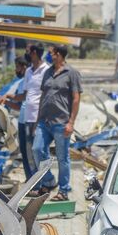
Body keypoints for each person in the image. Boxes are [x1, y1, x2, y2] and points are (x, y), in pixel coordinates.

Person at [31, 44, 82, 200]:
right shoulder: (47, 72)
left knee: (62, 157)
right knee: (37, 149)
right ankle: (49, 181)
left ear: (58, 55)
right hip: (44, 122)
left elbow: (76, 99)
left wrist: (71, 123)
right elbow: (43, 97)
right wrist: (37, 120)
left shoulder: (71, 73)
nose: (48, 55)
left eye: (51, 53)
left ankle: (64, 190)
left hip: (61, 122)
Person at [15, 43, 49, 180]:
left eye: (28, 51)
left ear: (34, 53)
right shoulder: (29, 71)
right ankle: (36, 183)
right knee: (30, 153)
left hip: (39, 118)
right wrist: (7, 98)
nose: (26, 54)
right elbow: (25, 95)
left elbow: (46, 95)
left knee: (39, 151)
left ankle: (46, 180)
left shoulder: (47, 70)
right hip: (28, 118)